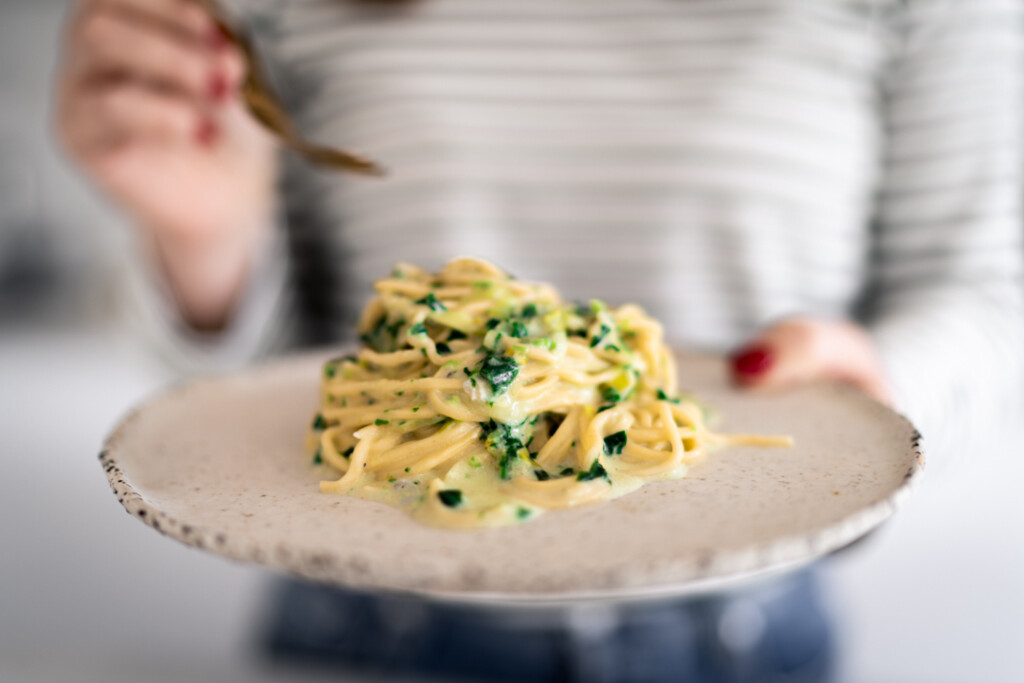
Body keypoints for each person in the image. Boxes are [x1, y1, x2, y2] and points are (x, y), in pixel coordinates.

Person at [55, 0, 1023, 681]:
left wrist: (873, 386)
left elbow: (989, 292)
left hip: (743, 633)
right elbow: (270, 383)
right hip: (362, 623)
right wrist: (207, 240)